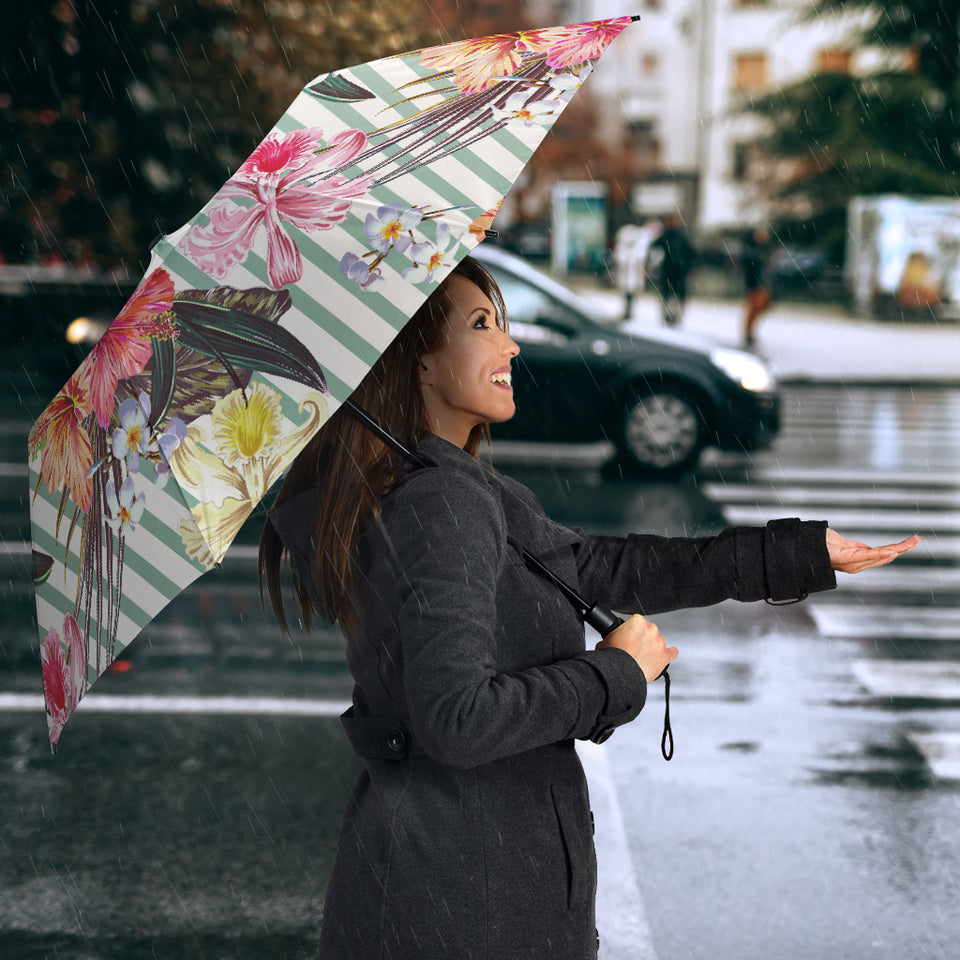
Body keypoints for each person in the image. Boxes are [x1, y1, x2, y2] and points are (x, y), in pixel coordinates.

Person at [259, 256, 919, 960]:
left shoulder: (451, 488)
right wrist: (613, 673)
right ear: (417, 363)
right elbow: (457, 720)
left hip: (454, 884)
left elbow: (603, 567)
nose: (510, 345)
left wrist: (796, 554)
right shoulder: (439, 504)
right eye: (482, 325)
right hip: (466, 903)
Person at [648, 213, 695, 327]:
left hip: (679, 271)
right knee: (667, 294)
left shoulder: (681, 237)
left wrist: (690, 267)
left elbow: (690, 253)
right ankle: (667, 315)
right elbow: (654, 249)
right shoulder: (665, 236)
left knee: (677, 295)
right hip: (668, 270)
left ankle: (675, 316)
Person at [741, 226, 773, 347]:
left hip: (763, 283)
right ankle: (748, 333)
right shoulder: (751, 250)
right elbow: (750, 265)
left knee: (762, 306)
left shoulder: (763, 249)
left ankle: (750, 331)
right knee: (754, 308)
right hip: (755, 284)